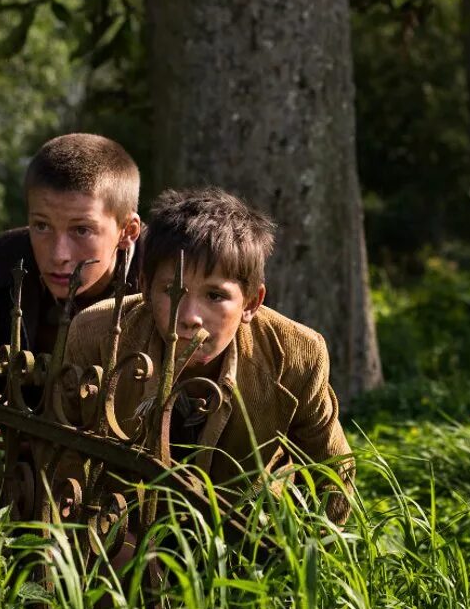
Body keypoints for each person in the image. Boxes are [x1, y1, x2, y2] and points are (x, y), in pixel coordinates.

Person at [62, 187, 354, 520]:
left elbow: (333, 474)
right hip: (122, 533)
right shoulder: (96, 334)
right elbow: (64, 452)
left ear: (251, 303)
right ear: (144, 287)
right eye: (173, 291)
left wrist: (293, 561)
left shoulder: (297, 355)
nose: (189, 317)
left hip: (245, 538)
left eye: (215, 296)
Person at [0, 133, 144, 354]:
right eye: (41, 226)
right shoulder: (0, 261)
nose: (59, 255)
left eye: (81, 230)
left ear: (128, 231)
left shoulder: (163, 277)